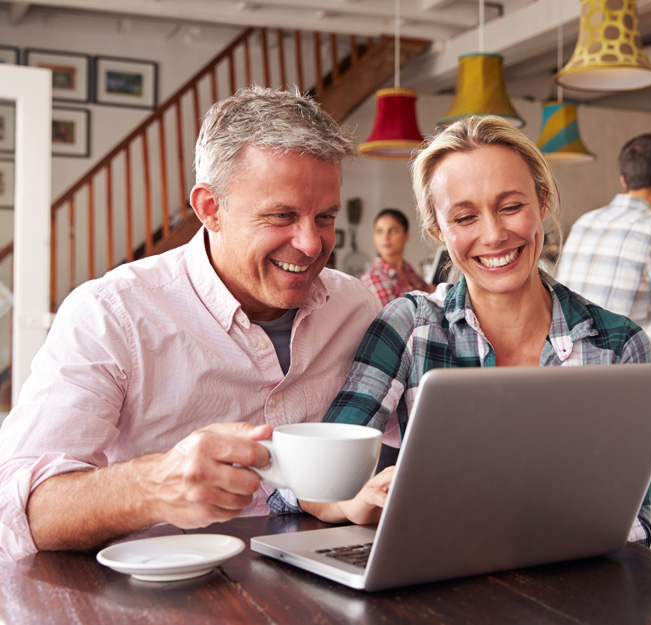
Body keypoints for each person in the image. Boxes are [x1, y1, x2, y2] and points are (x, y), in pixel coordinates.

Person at [0, 86, 381, 562]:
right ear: (209, 209)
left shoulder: (356, 307)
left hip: (323, 582)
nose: (310, 243)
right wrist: (154, 486)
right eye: (282, 216)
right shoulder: (111, 314)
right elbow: (17, 507)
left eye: (325, 217)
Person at [297, 115, 651, 547]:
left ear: (541, 203)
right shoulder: (411, 325)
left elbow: (634, 524)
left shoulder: (617, 345)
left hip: (577, 586)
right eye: (465, 217)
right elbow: (319, 478)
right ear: (438, 229)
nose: (494, 235)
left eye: (510, 207)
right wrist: (352, 503)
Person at [556, 133, 651, 559]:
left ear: (623, 178)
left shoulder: (586, 222)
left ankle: (646, 517)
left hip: (567, 381)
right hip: (633, 382)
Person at [360, 208, 434, 305]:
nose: (385, 237)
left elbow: (429, 292)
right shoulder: (371, 278)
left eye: (393, 231)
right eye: (379, 231)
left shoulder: (408, 270)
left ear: (406, 235)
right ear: (374, 237)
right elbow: (394, 320)